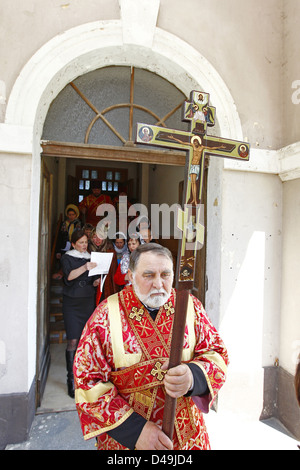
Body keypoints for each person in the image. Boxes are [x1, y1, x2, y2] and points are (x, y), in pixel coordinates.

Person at [73, 243, 229, 450]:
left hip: (186, 436)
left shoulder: (190, 306)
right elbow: (88, 381)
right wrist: (135, 431)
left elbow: (216, 353)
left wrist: (193, 377)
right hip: (129, 441)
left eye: (165, 275)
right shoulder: (105, 316)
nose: (158, 283)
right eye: (148, 275)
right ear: (130, 276)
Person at [60, 229, 100, 398]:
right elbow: (69, 276)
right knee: (73, 341)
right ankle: (71, 380)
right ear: (74, 243)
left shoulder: (90, 257)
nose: (84, 245)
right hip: (72, 303)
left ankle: (84, 378)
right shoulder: (67, 257)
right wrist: (85, 266)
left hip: (87, 301)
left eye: (85, 242)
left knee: (86, 341)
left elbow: (92, 279)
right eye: (81, 242)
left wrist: (97, 280)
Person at [88, 227, 119, 303]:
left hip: (106, 285)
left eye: (100, 237)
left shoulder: (110, 250)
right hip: (91, 286)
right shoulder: (88, 251)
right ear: (91, 238)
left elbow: (113, 272)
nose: (97, 240)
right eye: (95, 237)